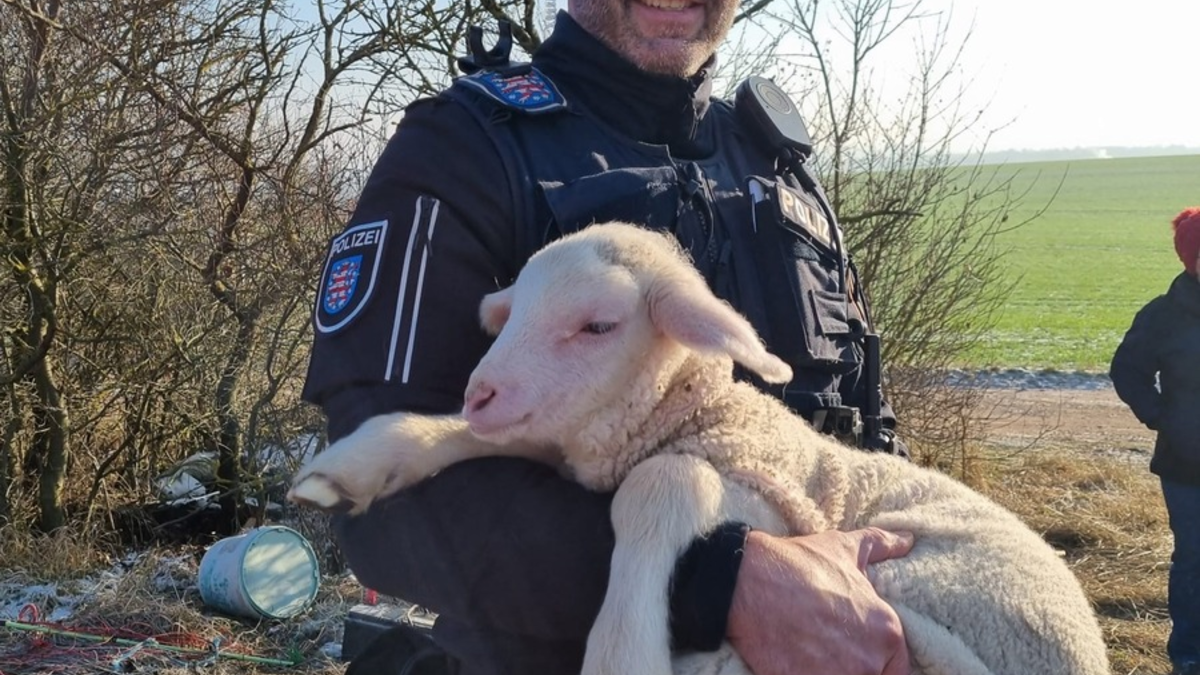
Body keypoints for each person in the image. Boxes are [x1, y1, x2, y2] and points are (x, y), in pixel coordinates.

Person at [302, 2, 913, 674]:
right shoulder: (465, 147)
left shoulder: (777, 162)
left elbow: (873, 438)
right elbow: (389, 504)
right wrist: (721, 584)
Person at [1110, 207, 1200, 675]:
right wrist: (1164, 417)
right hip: (1188, 466)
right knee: (1194, 560)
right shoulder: (1162, 317)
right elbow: (1126, 370)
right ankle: (1188, 654)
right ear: (1192, 258)